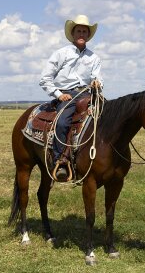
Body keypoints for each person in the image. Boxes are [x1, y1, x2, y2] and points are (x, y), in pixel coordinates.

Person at [39, 14, 103, 181]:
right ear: (73, 34)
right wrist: (59, 95)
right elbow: (45, 78)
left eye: (84, 31)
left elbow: (97, 77)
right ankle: (61, 160)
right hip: (67, 95)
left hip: (88, 93)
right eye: (78, 31)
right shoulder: (61, 54)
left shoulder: (94, 57)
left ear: (88, 35)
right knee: (62, 122)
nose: (81, 34)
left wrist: (97, 83)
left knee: (107, 118)